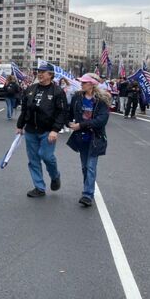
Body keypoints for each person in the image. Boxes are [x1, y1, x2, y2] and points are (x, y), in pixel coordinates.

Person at [16, 62, 67, 197]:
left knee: (46, 156)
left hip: (48, 131)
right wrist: (20, 125)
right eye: (38, 71)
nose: (39, 74)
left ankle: (55, 176)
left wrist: (55, 130)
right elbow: (25, 108)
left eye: (42, 72)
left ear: (50, 75)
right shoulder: (31, 89)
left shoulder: (57, 91)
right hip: (31, 130)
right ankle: (39, 187)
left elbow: (62, 112)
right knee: (33, 159)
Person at [67, 73, 110, 207]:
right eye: (82, 82)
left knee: (90, 166)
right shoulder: (77, 97)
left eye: (84, 82)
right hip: (81, 137)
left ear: (92, 84)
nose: (82, 84)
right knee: (85, 167)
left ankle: (87, 194)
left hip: (95, 138)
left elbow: (101, 120)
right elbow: (70, 113)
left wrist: (81, 125)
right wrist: (68, 123)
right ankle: (88, 189)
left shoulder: (101, 100)